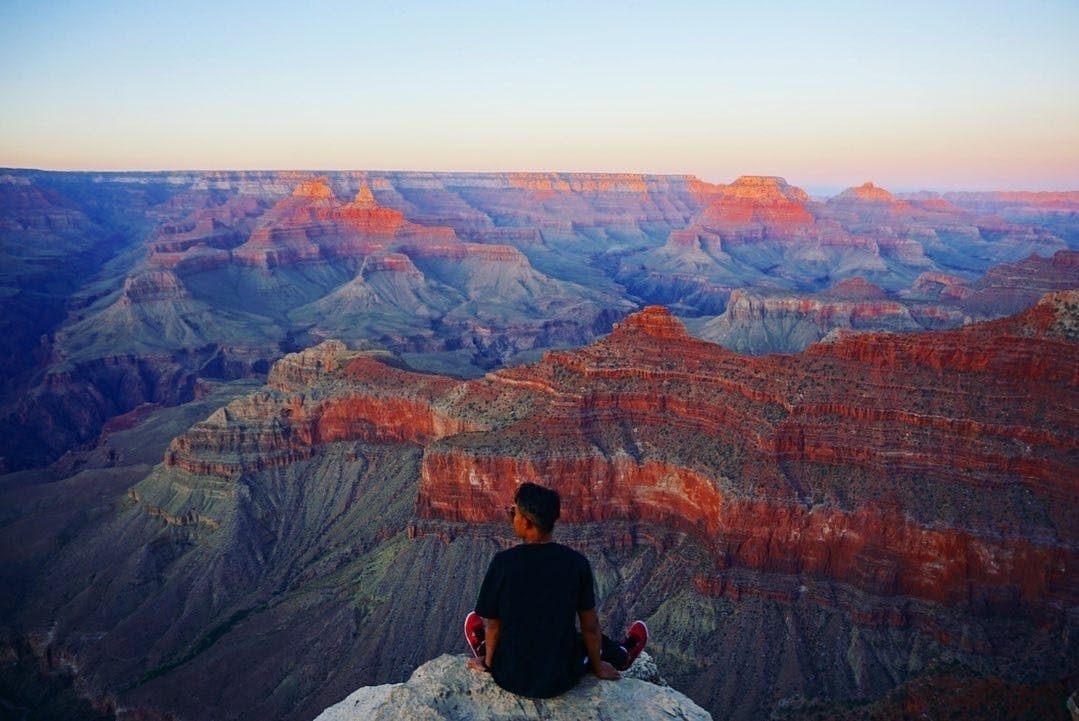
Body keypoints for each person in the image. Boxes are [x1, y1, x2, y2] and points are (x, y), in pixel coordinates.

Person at [465, 481, 648, 698]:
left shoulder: (502, 563)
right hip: (560, 678)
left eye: (513, 512)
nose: (511, 517)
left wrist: (487, 663)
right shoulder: (576, 563)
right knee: (581, 639)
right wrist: (599, 668)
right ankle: (623, 655)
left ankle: (485, 649)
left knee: (503, 630)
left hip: (509, 676)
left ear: (527, 522)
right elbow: (590, 626)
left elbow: (493, 625)